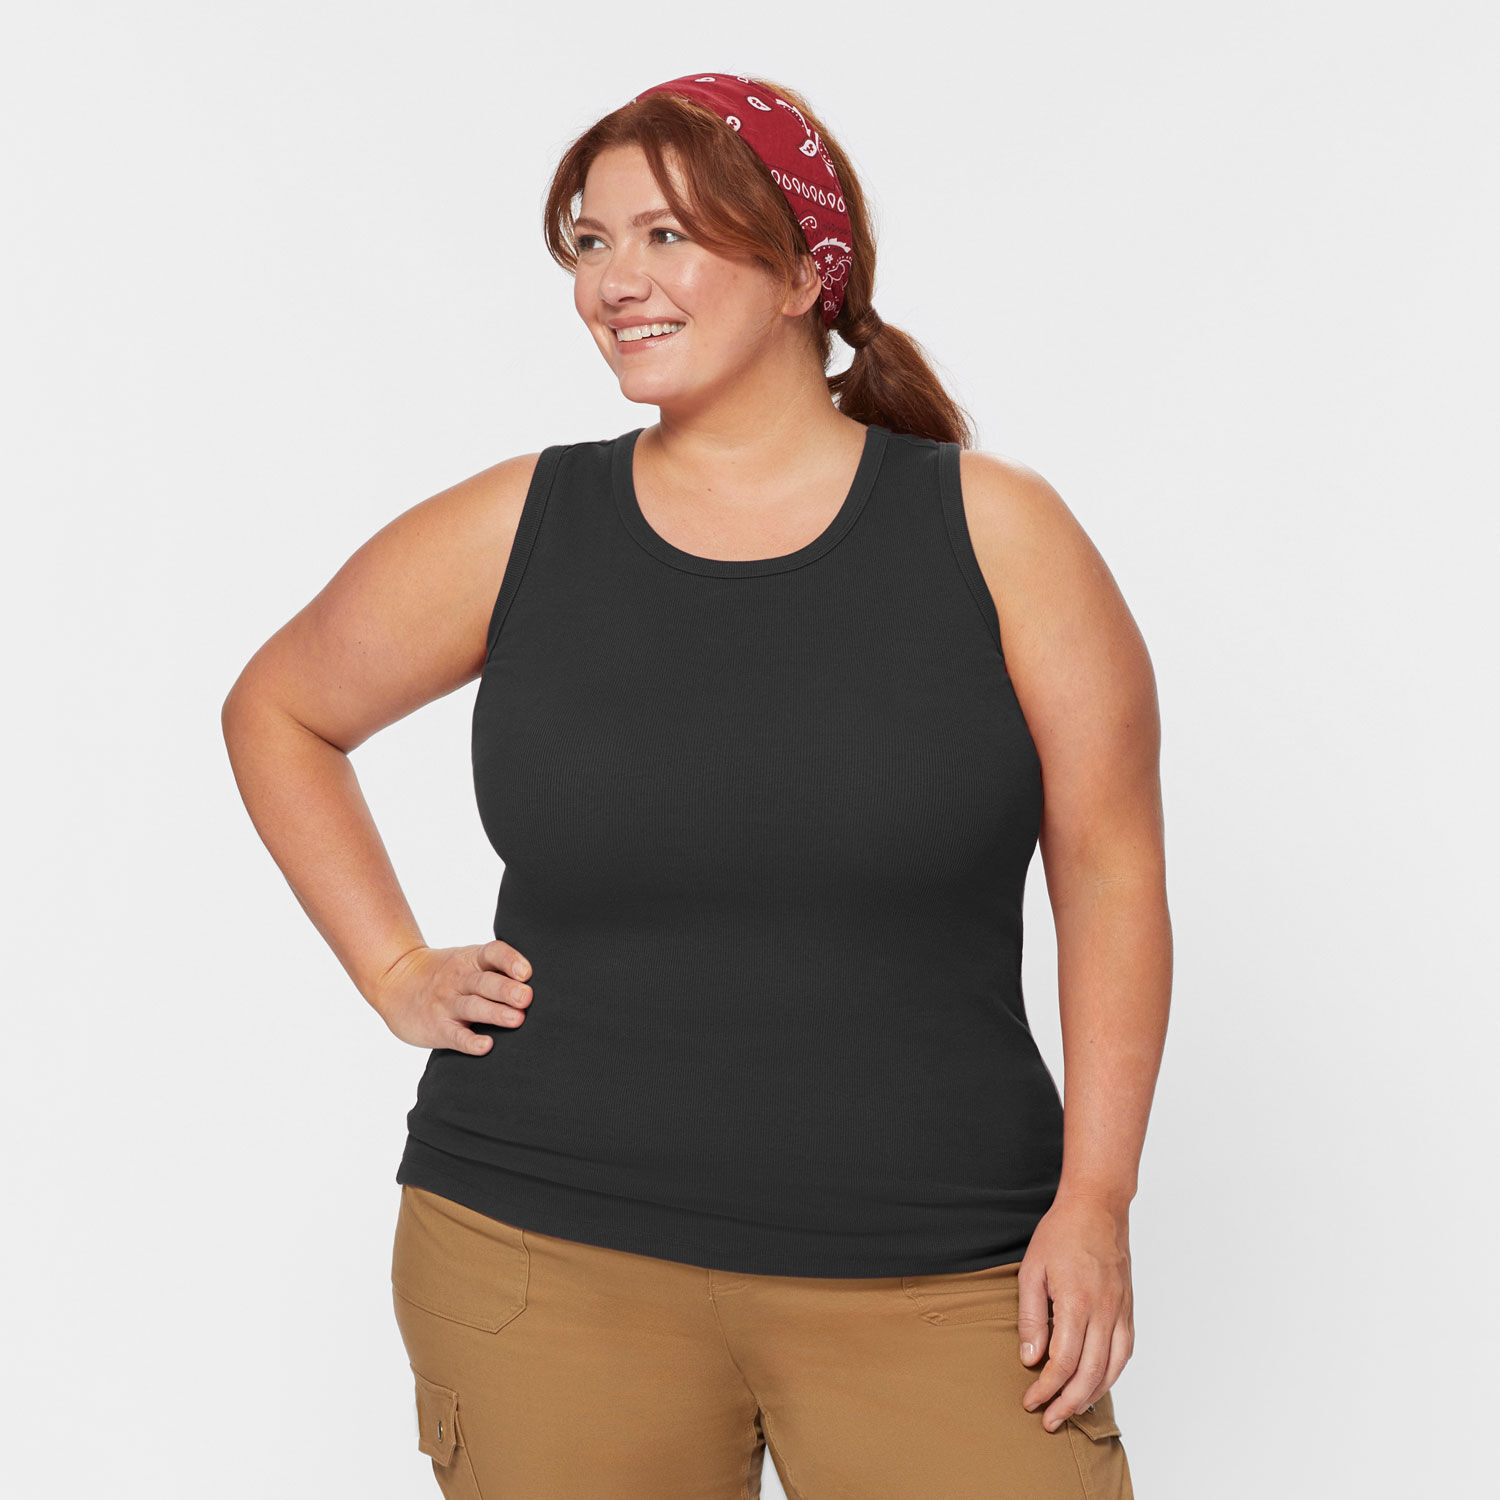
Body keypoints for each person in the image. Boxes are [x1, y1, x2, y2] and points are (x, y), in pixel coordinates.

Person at [221, 71, 1169, 1500]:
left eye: (667, 235)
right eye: (590, 243)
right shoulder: (523, 524)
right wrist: (394, 967)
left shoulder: (999, 535)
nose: (615, 282)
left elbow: (1109, 869)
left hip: (937, 1263)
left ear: (801, 271)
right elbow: (280, 708)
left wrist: (1096, 1199)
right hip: (542, 1254)